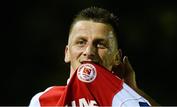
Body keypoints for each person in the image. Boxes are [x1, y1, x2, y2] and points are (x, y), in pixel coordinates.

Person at [29, 7, 158, 106]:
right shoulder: (42, 101)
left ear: (117, 57)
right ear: (67, 53)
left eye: (100, 44)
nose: (89, 51)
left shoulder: (124, 100)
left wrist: (132, 92)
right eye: (81, 42)